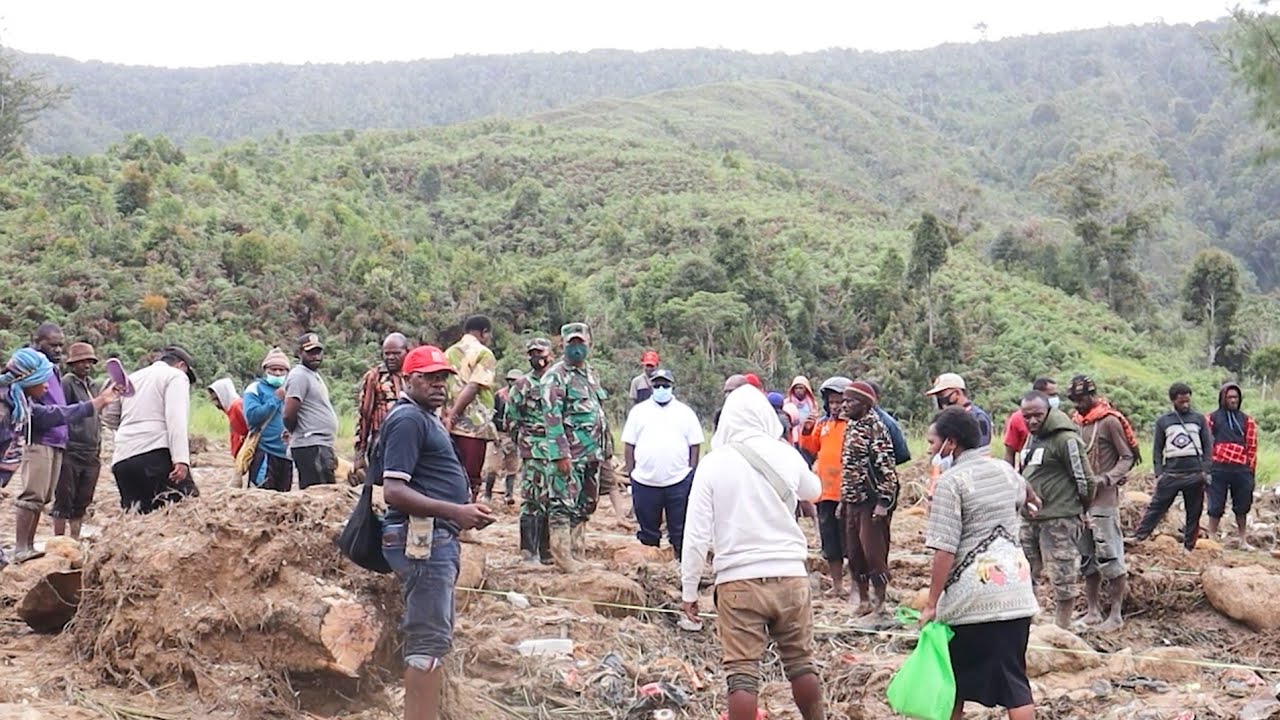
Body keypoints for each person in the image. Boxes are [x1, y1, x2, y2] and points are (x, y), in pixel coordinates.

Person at [680, 385, 825, 720]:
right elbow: (814, 491)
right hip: (790, 577)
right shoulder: (785, 453)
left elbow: (696, 535)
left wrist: (689, 592)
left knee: (742, 674)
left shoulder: (713, 463)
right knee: (801, 664)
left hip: (737, 582)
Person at [376, 345, 497, 720]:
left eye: (443, 378)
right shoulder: (408, 420)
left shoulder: (424, 417)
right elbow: (393, 490)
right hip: (423, 542)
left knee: (432, 640)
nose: (438, 385)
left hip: (434, 538)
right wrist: (456, 511)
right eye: (428, 378)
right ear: (409, 379)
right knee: (427, 643)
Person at [922, 407, 1039, 720]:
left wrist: (932, 603)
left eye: (933, 442)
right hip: (1016, 591)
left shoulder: (950, 483)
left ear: (951, 442)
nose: (931, 450)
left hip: (973, 599)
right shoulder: (1006, 471)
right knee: (1015, 683)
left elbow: (944, 549)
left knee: (952, 684)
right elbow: (1030, 500)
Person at [8, 346, 115, 562]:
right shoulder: (20, 398)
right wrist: (94, 405)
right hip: (44, 442)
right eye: (54, 343)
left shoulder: (78, 383)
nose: (46, 386)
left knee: (43, 497)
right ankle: (21, 547)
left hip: (61, 443)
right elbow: (55, 413)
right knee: (35, 496)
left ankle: (28, 546)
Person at [1018, 391, 1093, 629]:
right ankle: (1026, 620)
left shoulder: (1066, 439)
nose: (1031, 421)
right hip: (1031, 517)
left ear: (1048, 411)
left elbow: (1085, 479)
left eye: (1037, 415)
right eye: (1026, 416)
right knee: (1025, 571)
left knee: (1063, 572)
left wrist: (1081, 509)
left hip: (1060, 517)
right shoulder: (1033, 439)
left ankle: (1062, 626)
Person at [1068, 375, 1138, 631]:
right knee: (1087, 557)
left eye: (1081, 399)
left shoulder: (1109, 421)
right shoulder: (1076, 424)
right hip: (1081, 501)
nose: (1077, 405)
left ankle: (1116, 614)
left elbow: (1127, 456)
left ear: (1091, 395)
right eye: (1073, 400)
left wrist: (1107, 478)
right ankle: (1093, 610)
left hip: (1104, 501)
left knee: (1110, 555)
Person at [542, 322, 607, 571]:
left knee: (586, 503)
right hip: (569, 453)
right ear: (563, 345)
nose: (577, 348)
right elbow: (552, 417)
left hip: (592, 453)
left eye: (581, 343)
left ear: (589, 343)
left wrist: (605, 452)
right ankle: (563, 558)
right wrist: (560, 453)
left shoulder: (592, 374)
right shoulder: (555, 376)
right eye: (572, 344)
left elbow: (598, 413)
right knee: (562, 503)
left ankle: (578, 554)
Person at [622, 369, 704, 559]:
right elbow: (629, 445)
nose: (661, 389)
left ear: (672, 387)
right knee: (648, 532)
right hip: (645, 482)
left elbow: (695, 445)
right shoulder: (638, 412)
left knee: (680, 530)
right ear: (651, 386)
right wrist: (633, 475)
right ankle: (651, 567)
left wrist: (689, 474)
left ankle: (682, 566)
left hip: (678, 481)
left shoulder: (685, 413)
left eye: (665, 385)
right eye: (657, 385)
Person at [112, 346, 199, 514]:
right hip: (154, 454)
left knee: (136, 521)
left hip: (123, 458)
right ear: (181, 365)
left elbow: (110, 416)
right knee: (187, 508)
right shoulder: (176, 376)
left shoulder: (132, 378)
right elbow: (176, 420)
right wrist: (181, 459)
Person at [840, 380, 900, 620]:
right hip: (852, 501)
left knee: (873, 552)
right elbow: (847, 467)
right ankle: (863, 601)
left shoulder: (876, 428)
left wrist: (884, 502)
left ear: (865, 404)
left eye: (850, 401)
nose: (845, 405)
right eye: (844, 401)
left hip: (870, 501)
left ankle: (880, 603)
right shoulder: (852, 427)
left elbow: (887, 469)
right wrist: (843, 501)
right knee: (854, 554)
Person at [1130, 383, 1213, 551]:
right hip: (1172, 473)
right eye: (1182, 401)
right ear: (1173, 400)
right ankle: (1138, 537)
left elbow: (1208, 445)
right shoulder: (1164, 421)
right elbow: (1157, 449)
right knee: (1157, 507)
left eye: (1188, 401)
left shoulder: (1198, 419)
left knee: (1194, 512)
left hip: (1194, 473)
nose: (1185, 405)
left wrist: (1205, 470)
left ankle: (1188, 547)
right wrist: (1159, 473)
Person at [797, 376, 852, 597]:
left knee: (850, 540)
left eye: (840, 402)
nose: (836, 406)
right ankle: (837, 585)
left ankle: (855, 585)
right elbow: (810, 448)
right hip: (825, 492)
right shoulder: (823, 425)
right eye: (832, 402)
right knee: (830, 541)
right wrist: (808, 430)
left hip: (847, 492)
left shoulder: (854, 426)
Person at [506, 338, 555, 564]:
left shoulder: (558, 382)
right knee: (532, 499)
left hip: (557, 450)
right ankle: (529, 551)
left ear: (550, 354)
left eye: (540, 352)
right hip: (533, 449)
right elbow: (512, 418)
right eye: (532, 353)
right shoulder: (522, 385)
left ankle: (547, 551)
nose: (536, 357)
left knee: (553, 499)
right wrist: (526, 443)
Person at [443, 315, 499, 503]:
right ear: (484, 333)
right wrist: (455, 414)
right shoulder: (484, 353)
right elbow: (474, 386)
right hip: (472, 426)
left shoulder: (448, 353)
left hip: (446, 425)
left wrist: (446, 416)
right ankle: (464, 520)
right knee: (470, 477)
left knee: (449, 472)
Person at [52, 342, 104, 538]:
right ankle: (59, 541)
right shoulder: (67, 383)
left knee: (83, 499)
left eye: (89, 361)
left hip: (92, 451)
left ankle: (74, 539)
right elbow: (61, 413)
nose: (86, 365)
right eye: (82, 361)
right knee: (64, 498)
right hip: (72, 450)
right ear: (73, 363)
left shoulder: (93, 385)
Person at [1205, 382, 1258, 550]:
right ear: (1223, 398)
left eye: (1235, 397)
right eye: (1229, 397)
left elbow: (1252, 444)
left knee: (1242, 505)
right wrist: (1208, 464)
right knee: (1215, 504)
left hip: (1241, 468)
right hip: (1218, 467)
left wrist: (1250, 468)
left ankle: (1242, 540)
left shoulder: (1247, 420)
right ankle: (1212, 537)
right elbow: (1206, 442)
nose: (1233, 400)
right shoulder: (1211, 418)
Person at [284, 333, 340, 488]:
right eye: (310, 352)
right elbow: (289, 414)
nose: (315, 356)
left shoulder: (313, 375)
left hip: (319, 444)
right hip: (311, 445)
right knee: (319, 494)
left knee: (325, 492)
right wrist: (298, 432)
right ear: (300, 353)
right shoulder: (299, 375)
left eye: (318, 352)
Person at [242, 348, 294, 492]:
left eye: (281, 370)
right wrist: (275, 399)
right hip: (264, 454)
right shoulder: (255, 389)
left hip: (286, 456)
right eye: (273, 369)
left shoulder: (292, 391)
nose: (277, 373)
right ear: (266, 370)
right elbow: (252, 417)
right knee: (259, 498)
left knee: (283, 502)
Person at [355, 333, 409, 470]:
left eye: (396, 353)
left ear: (406, 352)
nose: (390, 357)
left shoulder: (414, 376)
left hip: (410, 440)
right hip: (382, 442)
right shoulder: (374, 376)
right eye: (387, 353)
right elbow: (364, 414)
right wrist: (359, 453)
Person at [481, 369, 522, 505]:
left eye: (515, 380)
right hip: (498, 434)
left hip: (514, 436)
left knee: (512, 467)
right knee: (492, 467)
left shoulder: (523, 396)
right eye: (510, 380)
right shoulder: (499, 396)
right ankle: (487, 495)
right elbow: (489, 416)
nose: (513, 383)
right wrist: (494, 435)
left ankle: (508, 495)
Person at [925, 372, 993, 447]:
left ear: (957, 393)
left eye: (942, 395)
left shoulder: (978, 417)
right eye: (938, 397)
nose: (941, 401)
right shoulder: (944, 420)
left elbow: (980, 449)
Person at [1004, 377, 1058, 466]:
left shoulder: (1059, 417)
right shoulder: (1017, 418)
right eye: (1052, 395)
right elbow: (1009, 453)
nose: (1055, 399)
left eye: (1056, 395)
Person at [207, 378, 248, 457]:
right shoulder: (231, 409)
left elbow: (250, 430)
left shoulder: (237, 406)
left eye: (216, 399)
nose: (215, 404)